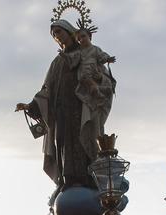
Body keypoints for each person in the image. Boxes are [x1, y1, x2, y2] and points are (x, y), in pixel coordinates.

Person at [14, 18, 112, 188]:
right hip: (61, 113)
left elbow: (103, 78)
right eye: (53, 34)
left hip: (81, 108)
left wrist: (97, 81)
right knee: (64, 144)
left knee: (84, 139)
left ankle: (88, 179)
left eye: (59, 31)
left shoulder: (85, 53)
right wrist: (32, 106)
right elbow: (47, 90)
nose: (57, 36)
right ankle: (68, 179)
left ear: (69, 31)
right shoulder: (57, 62)